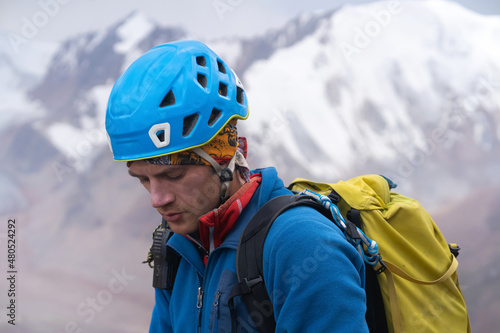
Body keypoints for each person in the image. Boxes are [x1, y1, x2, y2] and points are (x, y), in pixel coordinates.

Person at [105, 40, 368, 332]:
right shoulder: (178, 248)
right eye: (143, 179)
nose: (157, 199)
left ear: (223, 157)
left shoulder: (302, 247)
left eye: (174, 175)